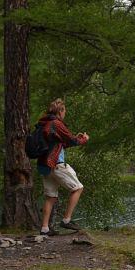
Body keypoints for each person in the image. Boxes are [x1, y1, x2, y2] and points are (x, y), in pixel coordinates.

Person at [36, 99, 89, 236]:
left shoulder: (43, 124)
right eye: (64, 111)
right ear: (60, 111)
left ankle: (45, 229)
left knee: (50, 197)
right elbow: (71, 140)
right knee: (78, 188)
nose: (65, 113)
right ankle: (66, 220)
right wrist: (83, 140)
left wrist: (73, 139)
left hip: (45, 166)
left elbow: (60, 144)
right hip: (57, 165)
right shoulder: (56, 123)